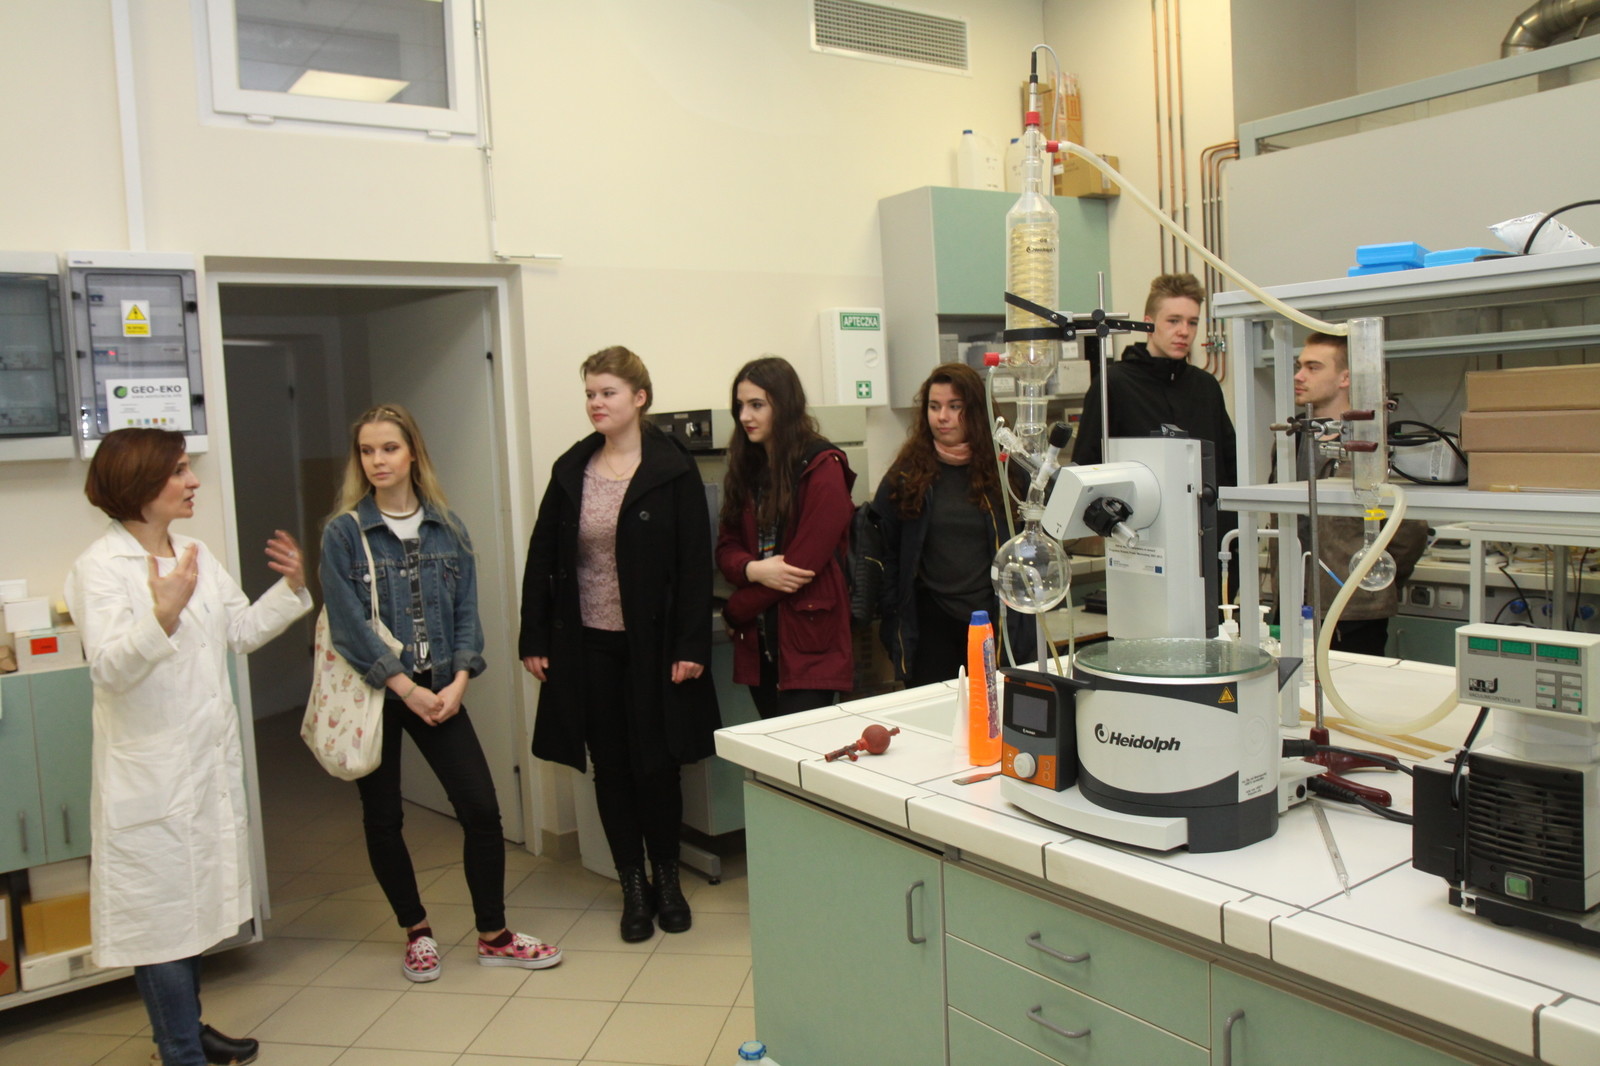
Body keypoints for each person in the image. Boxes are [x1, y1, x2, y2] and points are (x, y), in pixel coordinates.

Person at [67, 428, 312, 1066]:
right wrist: (162, 616)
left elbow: (239, 631)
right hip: (149, 777)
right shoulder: (99, 567)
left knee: (194, 907)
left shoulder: (195, 552)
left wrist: (290, 589)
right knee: (161, 921)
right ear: (139, 483)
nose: (193, 480)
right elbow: (109, 670)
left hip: (203, 767)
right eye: (179, 470)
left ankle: (188, 1029)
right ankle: (179, 1050)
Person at [320, 404, 561, 983]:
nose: (377, 461)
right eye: (367, 451)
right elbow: (348, 625)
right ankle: (416, 931)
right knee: (383, 817)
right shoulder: (344, 533)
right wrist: (405, 688)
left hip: (440, 691)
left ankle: (494, 935)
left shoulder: (448, 528)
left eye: (389, 448)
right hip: (380, 694)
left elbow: (465, 614)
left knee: (481, 809)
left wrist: (457, 682)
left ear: (413, 454)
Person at [519, 347, 721, 943]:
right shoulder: (572, 469)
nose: (596, 403)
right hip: (588, 646)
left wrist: (691, 645)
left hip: (655, 649)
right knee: (609, 768)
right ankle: (632, 885)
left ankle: (668, 880)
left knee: (657, 766)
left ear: (639, 398)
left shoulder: (672, 469)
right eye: (590, 393)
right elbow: (542, 559)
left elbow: (695, 565)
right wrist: (534, 636)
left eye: (607, 392)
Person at [873, 363, 1035, 685]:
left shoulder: (1008, 471)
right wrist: (892, 614)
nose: (942, 417)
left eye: (954, 407)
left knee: (995, 707)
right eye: (934, 407)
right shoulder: (907, 474)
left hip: (995, 619)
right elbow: (884, 551)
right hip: (931, 624)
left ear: (975, 411)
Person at [716, 356, 856, 717]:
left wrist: (736, 609)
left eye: (756, 405)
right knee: (769, 747)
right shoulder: (747, 467)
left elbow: (799, 569)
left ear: (785, 404)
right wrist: (753, 569)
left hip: (809, 641)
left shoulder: (823, 466)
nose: (744, 416)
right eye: (740, 406)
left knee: (802, 747)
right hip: (759, 642)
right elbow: (726, 547)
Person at [1283, 333, 1429, 655]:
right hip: (1293, 603)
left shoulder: (1373, 446)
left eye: (1313, 367)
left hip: (1354, 614)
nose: (1299, 376)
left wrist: (1372, 582)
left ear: (1345, 378)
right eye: (1299, 366)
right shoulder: (1293, 440)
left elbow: (1410, 532)